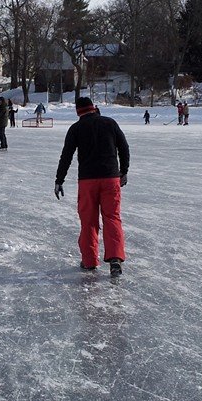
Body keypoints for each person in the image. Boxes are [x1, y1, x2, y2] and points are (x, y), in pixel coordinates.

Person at [54, 97, 129, 277]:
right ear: (94, 108)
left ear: (78, 112)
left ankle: (89, 260)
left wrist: (59, 179)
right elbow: (124, 147)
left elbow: (66, 156)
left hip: (87, 181)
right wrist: (123, 171)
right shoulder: (110, 123)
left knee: (88, 220)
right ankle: (115, 259)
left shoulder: (76, 128)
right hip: (111, 178)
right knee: (112, 217)